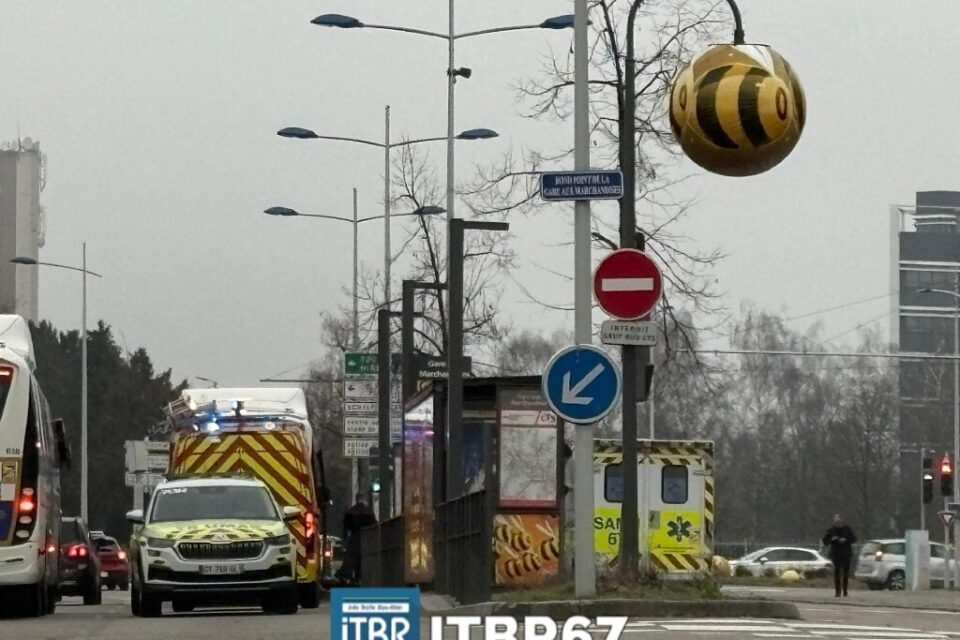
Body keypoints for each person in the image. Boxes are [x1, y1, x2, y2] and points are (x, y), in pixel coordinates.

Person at [335, 494, 377, 583]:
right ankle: (360, 577)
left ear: (356, 499)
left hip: (354, 539)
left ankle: (349, 577)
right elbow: (374, 525)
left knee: (351, 559)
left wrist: (345, 540)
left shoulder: (351, 512)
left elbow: (346, 528)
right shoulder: (368, 512)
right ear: (363, 499)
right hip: (366, 539)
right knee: (363, 559)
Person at [822, 513, 857, 597]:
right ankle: (837, 591)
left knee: (845, 573)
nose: (837, 521)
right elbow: (825, 541)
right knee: (837, 573)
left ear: (841, 520)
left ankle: (845, 591)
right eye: (835, 519)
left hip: (846, 553)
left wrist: (846, 539)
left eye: (838, 519)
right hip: (836, 553)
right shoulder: (831, 530)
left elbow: (854, 539)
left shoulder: (847, 529)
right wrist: (832, 539)